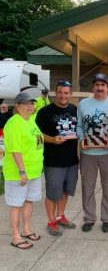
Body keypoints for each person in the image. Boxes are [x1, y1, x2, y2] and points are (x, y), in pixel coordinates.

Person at [77, 73, 108, 233]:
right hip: (88, 154)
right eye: (97, 85)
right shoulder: (83, 104)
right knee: (87, 187)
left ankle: (107, 219)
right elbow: (79, 126)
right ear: (93, 87)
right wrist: (81, 138)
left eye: (103, 85)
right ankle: (89, 219)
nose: (100, 88)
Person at [36, 80, 78, 236]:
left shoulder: (74, 109)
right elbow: (37, 135)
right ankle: (51, 221)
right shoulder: (45, 112)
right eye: (60, 92)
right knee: (53, 193)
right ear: (55, 92)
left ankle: (60, 216)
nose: (63, 95)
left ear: (70, 94)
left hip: (72, 160)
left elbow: (79, 130)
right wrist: (53, 140)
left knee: (66, 190)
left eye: (66, 92)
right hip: (53, 161)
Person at [3, 92, 44, 249]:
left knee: (29, 201)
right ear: (18, 106)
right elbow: (15, 149)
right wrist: (22, 171)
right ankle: (16, 236)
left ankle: (26, 229)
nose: (30, 106)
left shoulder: (30, 120)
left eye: (32, 103)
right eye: (26, 104)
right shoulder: (14, 123)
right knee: (16, 204)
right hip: (19, 173)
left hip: (34, 171)